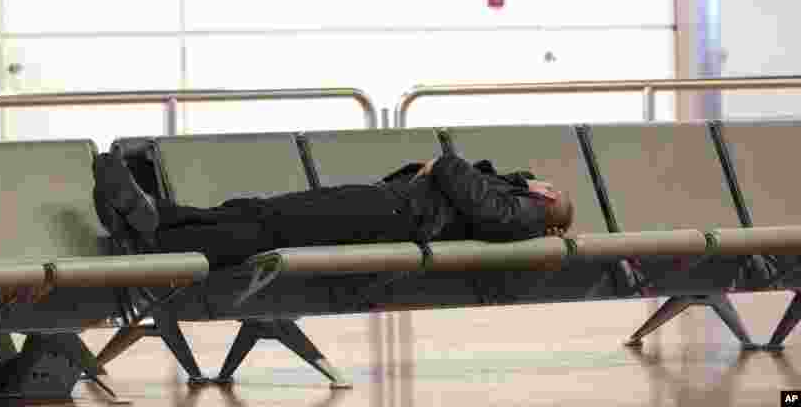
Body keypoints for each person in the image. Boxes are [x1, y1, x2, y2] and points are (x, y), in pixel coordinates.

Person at [93, 151, 574, 269]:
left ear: (547, 198)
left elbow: (482, 208)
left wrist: (446, 162)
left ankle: (159, 237)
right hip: (386, 211)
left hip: (389, 217)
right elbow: (472, 193)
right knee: (262, 214)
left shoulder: (523, 214)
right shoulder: (512, 202)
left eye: (542, 184)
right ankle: (159, 216)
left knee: (271, 225)